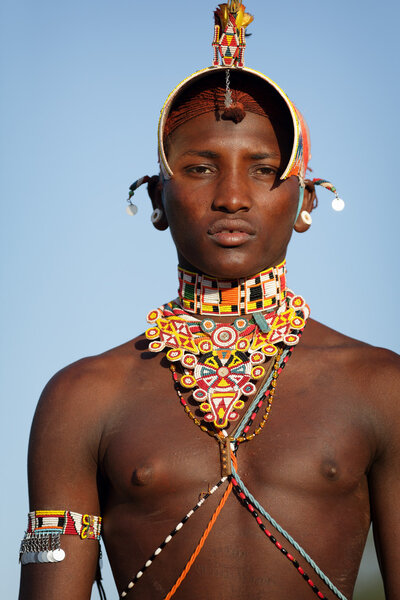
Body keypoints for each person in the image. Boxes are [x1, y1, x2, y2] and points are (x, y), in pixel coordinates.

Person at [18, 3, 400, 600]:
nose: (231, 197)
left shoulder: (381, 385)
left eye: (264, 170)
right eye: (198, 169)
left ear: (305, 204)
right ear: (156, 201)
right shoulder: (81, 397)